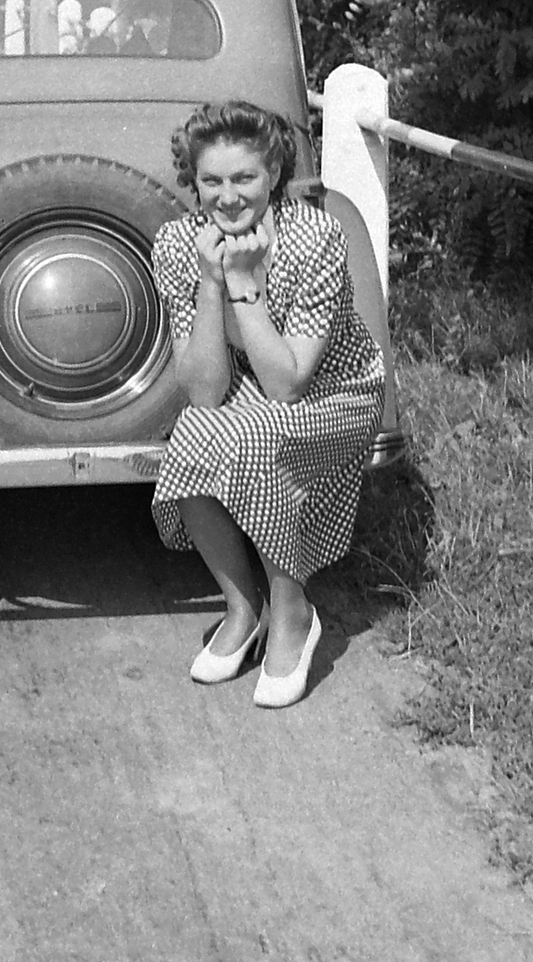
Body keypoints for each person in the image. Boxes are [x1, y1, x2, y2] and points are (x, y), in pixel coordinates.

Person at [150, 101, 387, 707]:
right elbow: (203, 390)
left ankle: (291, 610)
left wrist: (244, 284)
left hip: (336, 392)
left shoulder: (313, 237)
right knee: (194, 432)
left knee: (257, 435)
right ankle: (242, 607)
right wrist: (211, 282)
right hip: (246, 388)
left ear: (274, 173)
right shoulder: (178, 243)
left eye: (244, 178)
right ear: (194, 180)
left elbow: (288, 385)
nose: (227, 197)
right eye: (211, 180)